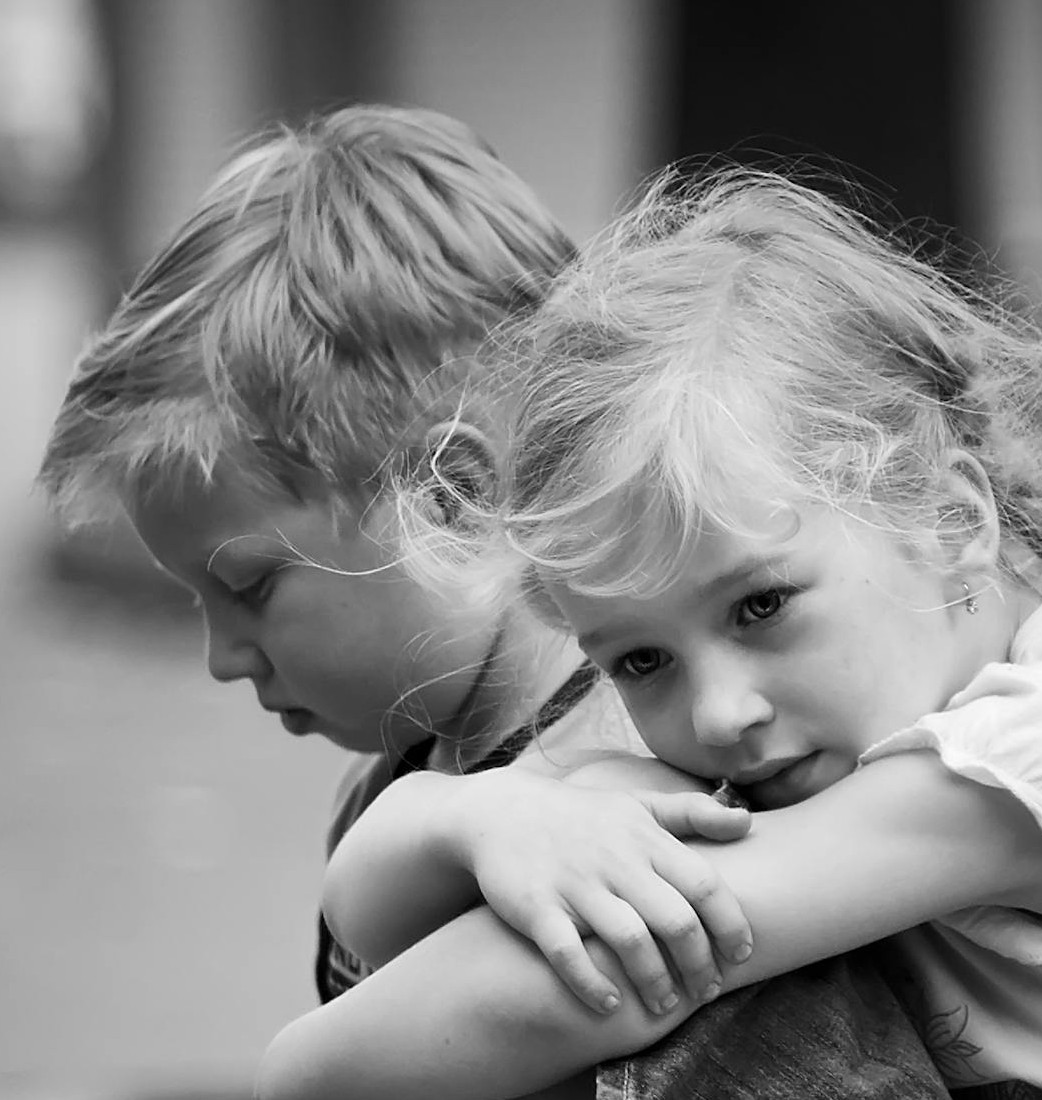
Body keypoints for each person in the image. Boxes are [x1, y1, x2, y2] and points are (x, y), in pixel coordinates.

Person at [260, 167, 1042, 1100]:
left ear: (950, 517)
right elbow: (372, 930)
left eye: (762, 605)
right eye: (639, 660)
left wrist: (496, 833)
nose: (720, 712)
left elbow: (344, 1059)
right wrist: (480, 817)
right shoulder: (907, 727)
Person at [39, 113, 948, 1100]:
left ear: (451, 498)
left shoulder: (667, 806)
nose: (224, 656)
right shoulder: (410, 785)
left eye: (251, 587)